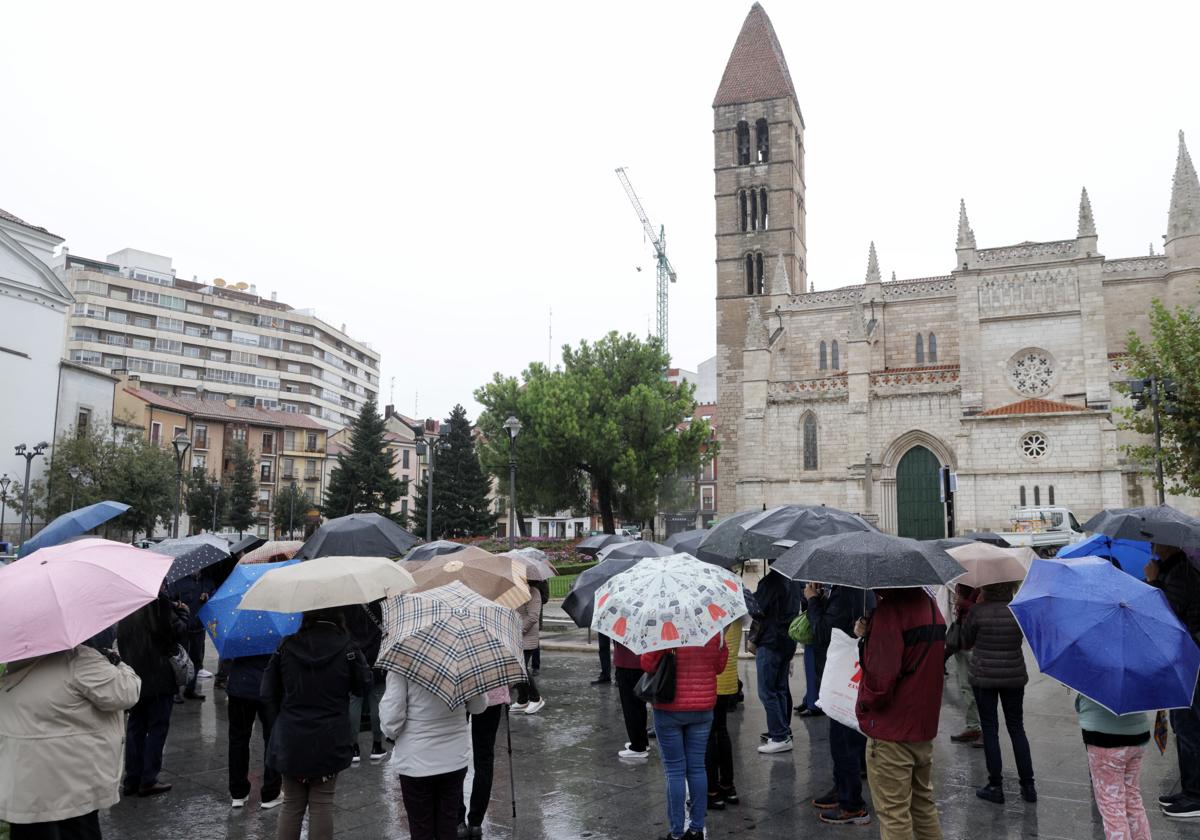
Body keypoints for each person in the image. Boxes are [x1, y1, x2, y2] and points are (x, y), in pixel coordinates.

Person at [0, 644, 141, 839]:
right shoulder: (78, 658)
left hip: (26, 786)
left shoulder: (16, 659)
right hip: (71, 784)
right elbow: (126, 693)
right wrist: (119, 663)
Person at [263, 608, 370, 840]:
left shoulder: (286, 646)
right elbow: (363, 687)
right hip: (329, 737)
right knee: (322, 802)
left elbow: (267, 691)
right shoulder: (348, 648)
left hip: (292, 736)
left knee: (291, 804)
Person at [855, 587, 946, 840]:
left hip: (892, 729)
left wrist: (863, 705)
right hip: (923, 724)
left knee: (894, 813)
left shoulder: (889, 613)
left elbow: (880, 682)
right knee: (923, 806)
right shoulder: (930, 606)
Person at [380, 670, 487, 840]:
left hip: (416, 761)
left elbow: (391, 718)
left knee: (421, 828)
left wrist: (391, 735)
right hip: (454, 759)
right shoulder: (464, 660)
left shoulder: (402, 661)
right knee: (448, 826)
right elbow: (478, 706)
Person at [642, 632, 728, 840]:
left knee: (674, 771)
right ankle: (697, 829)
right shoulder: (713, 629)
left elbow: (648, 664)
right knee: (697, 768)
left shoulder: (664, 629)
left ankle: (677, 833)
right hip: (703, 708)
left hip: (669, 708)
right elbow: (719, 667)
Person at [961, 581, 1036, 804]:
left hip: (984, 677)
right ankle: (1028, 786)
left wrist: (975, 607)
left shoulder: (977, 611)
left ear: (987, 588)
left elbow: (965, 640)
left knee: (990, 729)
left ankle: (995, 786)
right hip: (1013, 675)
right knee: (1016, 727)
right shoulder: (1017, 609)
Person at [807, 583, 876, 826]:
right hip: (847, 675)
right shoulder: (859, 589)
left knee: (843, 740)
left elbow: (823, 632)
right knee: (845, 739)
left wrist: (813, 601)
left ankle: (852, 805)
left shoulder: (846, 592)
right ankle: (842, 789)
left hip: (842, 676)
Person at [117, 592, 189, 797]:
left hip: (135, 673)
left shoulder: (126, 600)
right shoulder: (159, 601)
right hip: (158, 676)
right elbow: (174, 633)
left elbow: (121, 639)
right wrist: (183, 614)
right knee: (157, 727)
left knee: (135, 727)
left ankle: (132, 779)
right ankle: (148, 779)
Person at [1146, 544, 1200, 819]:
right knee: (1183, 724)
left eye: (1156, 541)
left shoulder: (1181, 573)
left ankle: (1195, 796)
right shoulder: (1176, 569)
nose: (1152, 545)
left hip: (1191, 658)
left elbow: (1167, 615)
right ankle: (1189, 789)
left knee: (1189, 726)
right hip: (1186, 656)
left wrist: (1154, 581)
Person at [1075, 692, 1152, 840]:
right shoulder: (1138, 667)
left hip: (1104, 737)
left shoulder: (1097, 669)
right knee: (1133, 800)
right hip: (1138, 734)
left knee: (1112, 805)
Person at [752, 560, 801, 753]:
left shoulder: (770, 581)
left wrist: (747, 596)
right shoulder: (794, 581)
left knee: (767, 691)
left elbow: (756, 609)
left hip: (770, 641)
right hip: (787, 641)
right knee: (780, 688)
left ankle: (779, 735)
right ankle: (783, 731)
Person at [226, 653, 282, 809]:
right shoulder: (276, 631)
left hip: (240, 686)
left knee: (238, 739)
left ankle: (238, 793)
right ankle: (271, 792)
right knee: (272, 738)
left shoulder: (238, 630)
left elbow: (227, 658)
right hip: (269, 687)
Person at [457, 686, 511, 838]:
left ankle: (458, 821)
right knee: (485, 758)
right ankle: (475, 823)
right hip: (492, 692)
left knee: (454, 756)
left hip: (460, 690)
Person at [344, 600, 388, 765]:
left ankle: (353, 747)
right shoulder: (380, 604)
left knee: (354, 700)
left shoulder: (348, 603)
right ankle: (377, 745)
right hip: (377, 656)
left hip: (354, 658)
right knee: (377, 701)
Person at [705, 620, 743, 810]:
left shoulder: (709, 618)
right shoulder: (731, 612)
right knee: (721, 731)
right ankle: (728, 786)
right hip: (727, 681)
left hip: (710, 681)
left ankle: (712, 790)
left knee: (709, 735)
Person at [165, 570, 213, 702]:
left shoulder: (206, 580)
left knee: (197, 659)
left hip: (198, 625)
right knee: (178, 659)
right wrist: (179, 605)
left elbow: (214, 592)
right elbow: (169, 600)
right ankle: (176, 691)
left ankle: (190, 689)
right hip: (182, 626)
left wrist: (208, 594)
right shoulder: (177, 580)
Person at [945, 583, 982, 745]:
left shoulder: (982, 585)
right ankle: (973, 726)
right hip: (962, 641)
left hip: (975, 642)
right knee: (965, 687)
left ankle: (983, 729)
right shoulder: (961, 583)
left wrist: (963, 603)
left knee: (978, 689)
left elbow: (982, 611)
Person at [510, 582, 545, 715]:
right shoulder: (515, 590)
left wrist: (518, 630)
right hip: (514, 636)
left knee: (521, 668)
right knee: (514, 668)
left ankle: (536, 698)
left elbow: (533, 616)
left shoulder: (533, 591)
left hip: (526, 637)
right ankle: (523, 699)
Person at [614, 639, 652, 758]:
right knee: (639, 706)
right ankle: (642, 741)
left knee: (630, 707)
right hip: (638, 663)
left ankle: (638, 746)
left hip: (627, 663)